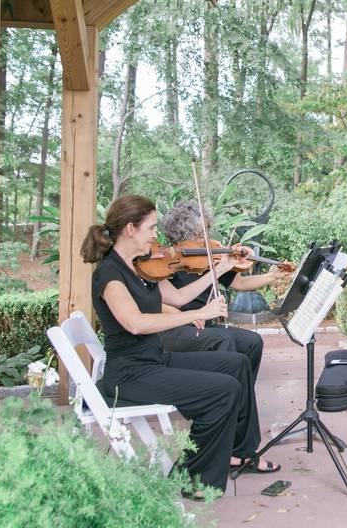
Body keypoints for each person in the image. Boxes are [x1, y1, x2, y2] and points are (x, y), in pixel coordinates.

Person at [80, 194, 260, 497]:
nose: (155, 234)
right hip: (130, 375)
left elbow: (177, 298)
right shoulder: (110, 274)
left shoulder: (139, 265)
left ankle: (239, 450)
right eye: (150, 227)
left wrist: (222, 266)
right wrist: (198, 314)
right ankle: (191, 478)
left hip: (154, 359)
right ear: (130, 229)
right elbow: (135, 323)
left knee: (237, 363)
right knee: (223, 390)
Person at [156, 200, 288, 475]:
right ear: (182, 235)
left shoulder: (207, 257)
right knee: (224, 344)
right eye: (200, 233)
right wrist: (186, 314)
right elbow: (153, 300)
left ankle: (238, 438)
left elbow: (239, 283)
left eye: (206, 231)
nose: (207, 238)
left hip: (203, 328)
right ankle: (235, 439)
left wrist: (272, 275)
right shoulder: (164, 261)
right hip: (173, 330)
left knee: (251, 343)